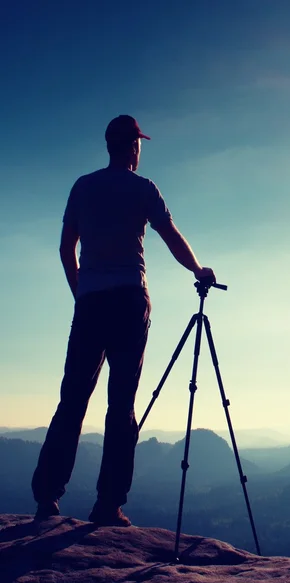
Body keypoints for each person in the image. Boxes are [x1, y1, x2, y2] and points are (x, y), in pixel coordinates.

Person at [31, 115, 216, 526]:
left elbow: (66, 248)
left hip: (91, 302)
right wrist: (199, 270)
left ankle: (47, 498)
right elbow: (170, 235)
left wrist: (81, 292)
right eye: (139, 143)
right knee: (121, 405)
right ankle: (107, 505)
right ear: (133, 146)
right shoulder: (143, 189)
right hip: (130, 302)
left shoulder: (83, 187)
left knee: (73, 399)